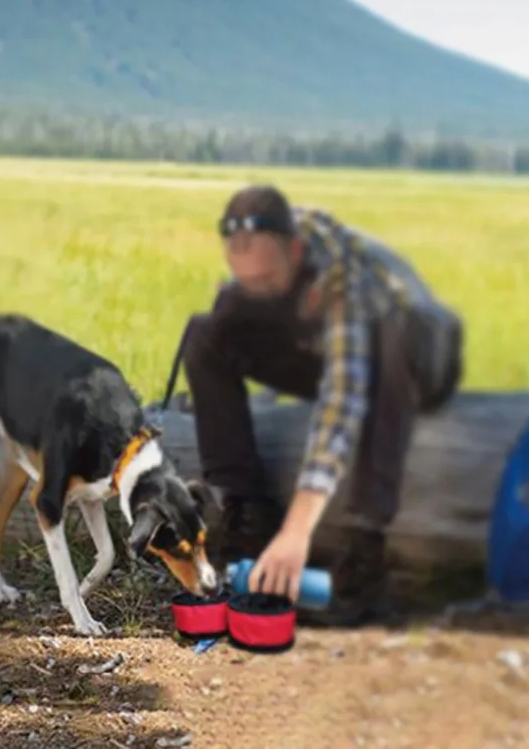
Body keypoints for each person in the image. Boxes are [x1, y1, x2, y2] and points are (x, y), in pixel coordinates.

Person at [181, 184, 425, 627]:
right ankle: (249, 515)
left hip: (415, 359)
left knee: (387, 341)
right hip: (321, 346)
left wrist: (298, 532)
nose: (258, 292)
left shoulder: (342, 276)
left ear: (294, 251)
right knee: (205, 329)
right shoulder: (266, 259)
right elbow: (258, 313)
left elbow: (342, 401)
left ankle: (365, 547)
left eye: (267, 282)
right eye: (247, 281)